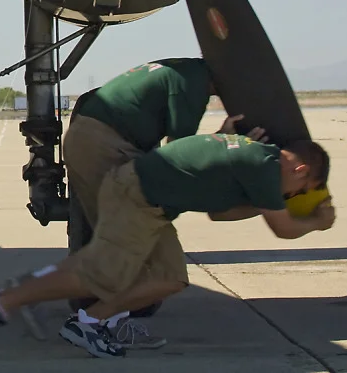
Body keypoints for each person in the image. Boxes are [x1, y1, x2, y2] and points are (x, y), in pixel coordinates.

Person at [0, 134, 334, 359]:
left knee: (170, 277)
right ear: (300, 169)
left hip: (149, 201)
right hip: (137, 197)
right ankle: (1, 302)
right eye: (301, 189)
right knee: (99, 275)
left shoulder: (258, 157)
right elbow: (283, 229)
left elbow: (220, 215)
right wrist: (318, 222)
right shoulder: (265, 166)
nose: (294, 195)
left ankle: (88, 322)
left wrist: (262, 203)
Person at [37, 58, 264, 348]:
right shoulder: (191, 84)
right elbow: (182, 157)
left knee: (129, 248)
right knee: (128, 247)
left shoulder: (186, 73)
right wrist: (226, 145)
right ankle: (87, 321)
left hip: (97, 143)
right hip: (104, 148)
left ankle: (101, 322)